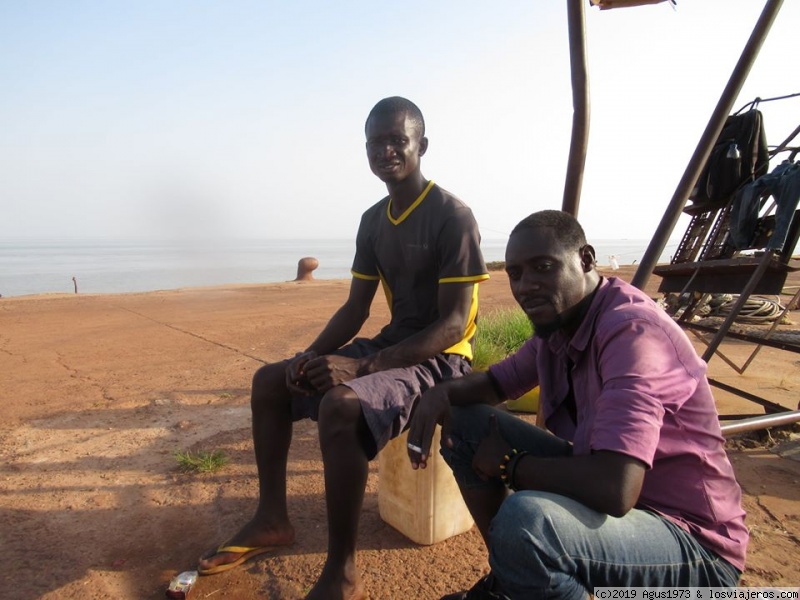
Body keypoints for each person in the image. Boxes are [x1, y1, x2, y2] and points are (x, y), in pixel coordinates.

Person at [198, 96, 489, 600]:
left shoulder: (452, 216)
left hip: (444, 359)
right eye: (375, 141)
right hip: (398, 344)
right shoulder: (373, 220)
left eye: (397, 139)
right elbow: (356, 309)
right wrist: (308, 358)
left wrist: (365, 365)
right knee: (271, 381)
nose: (386, 151)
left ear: (422, 144)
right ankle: (271, 519)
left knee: (340, 404)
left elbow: (455, 323)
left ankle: (343, 572)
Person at [407, 210, 748, 600]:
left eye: (543, 267)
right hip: (623, 514)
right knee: (467, 422)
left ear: (585, 260)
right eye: (516, 274)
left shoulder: (632, 333)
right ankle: (512, 580)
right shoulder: (561, 326)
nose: (527, 286)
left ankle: (523, 575)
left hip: (693, 548)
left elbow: (614, 490)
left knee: (529, 522)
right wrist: (439, 394)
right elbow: (494, 383)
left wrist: (510, 465)